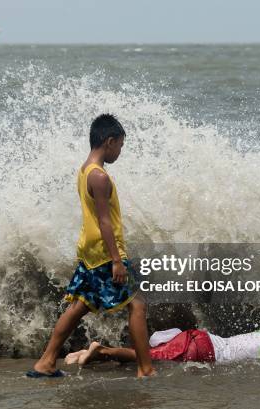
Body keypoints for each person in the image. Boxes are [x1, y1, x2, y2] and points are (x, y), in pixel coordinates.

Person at [28, 114, 155, 378]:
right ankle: (146, 369)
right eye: (120, 145)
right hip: (104, 254)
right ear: (109, 142)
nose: (120, 151)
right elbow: (105, 222)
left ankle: (46, 361)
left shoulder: (85, 169)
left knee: (80, 306)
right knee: (137, 305)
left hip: (89, 251)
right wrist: (117, 261)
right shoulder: (100, 177)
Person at [65, 326, 260, 366]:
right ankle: (102, 351)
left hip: (196, 336)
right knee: (149, 358)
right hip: (205, 350)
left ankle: (90, 353)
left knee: (153, 352)